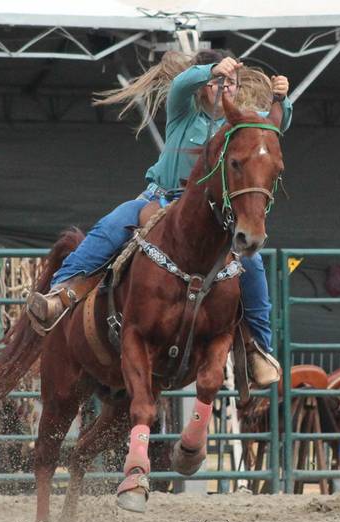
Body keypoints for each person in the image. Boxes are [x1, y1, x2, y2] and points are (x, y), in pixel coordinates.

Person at [26, 49, 293, 387]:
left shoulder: (239, 124)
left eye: (231, 83)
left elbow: (272, 126)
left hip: (211, 214)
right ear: (203, 85)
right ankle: (60, 294)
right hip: (161, 197)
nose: (225, 87)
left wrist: (282, 99)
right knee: (113, 226)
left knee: (251, 264)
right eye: (218, 82)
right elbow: (181, 84)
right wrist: (211, 69)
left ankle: (258, 348)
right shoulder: (183, 110)